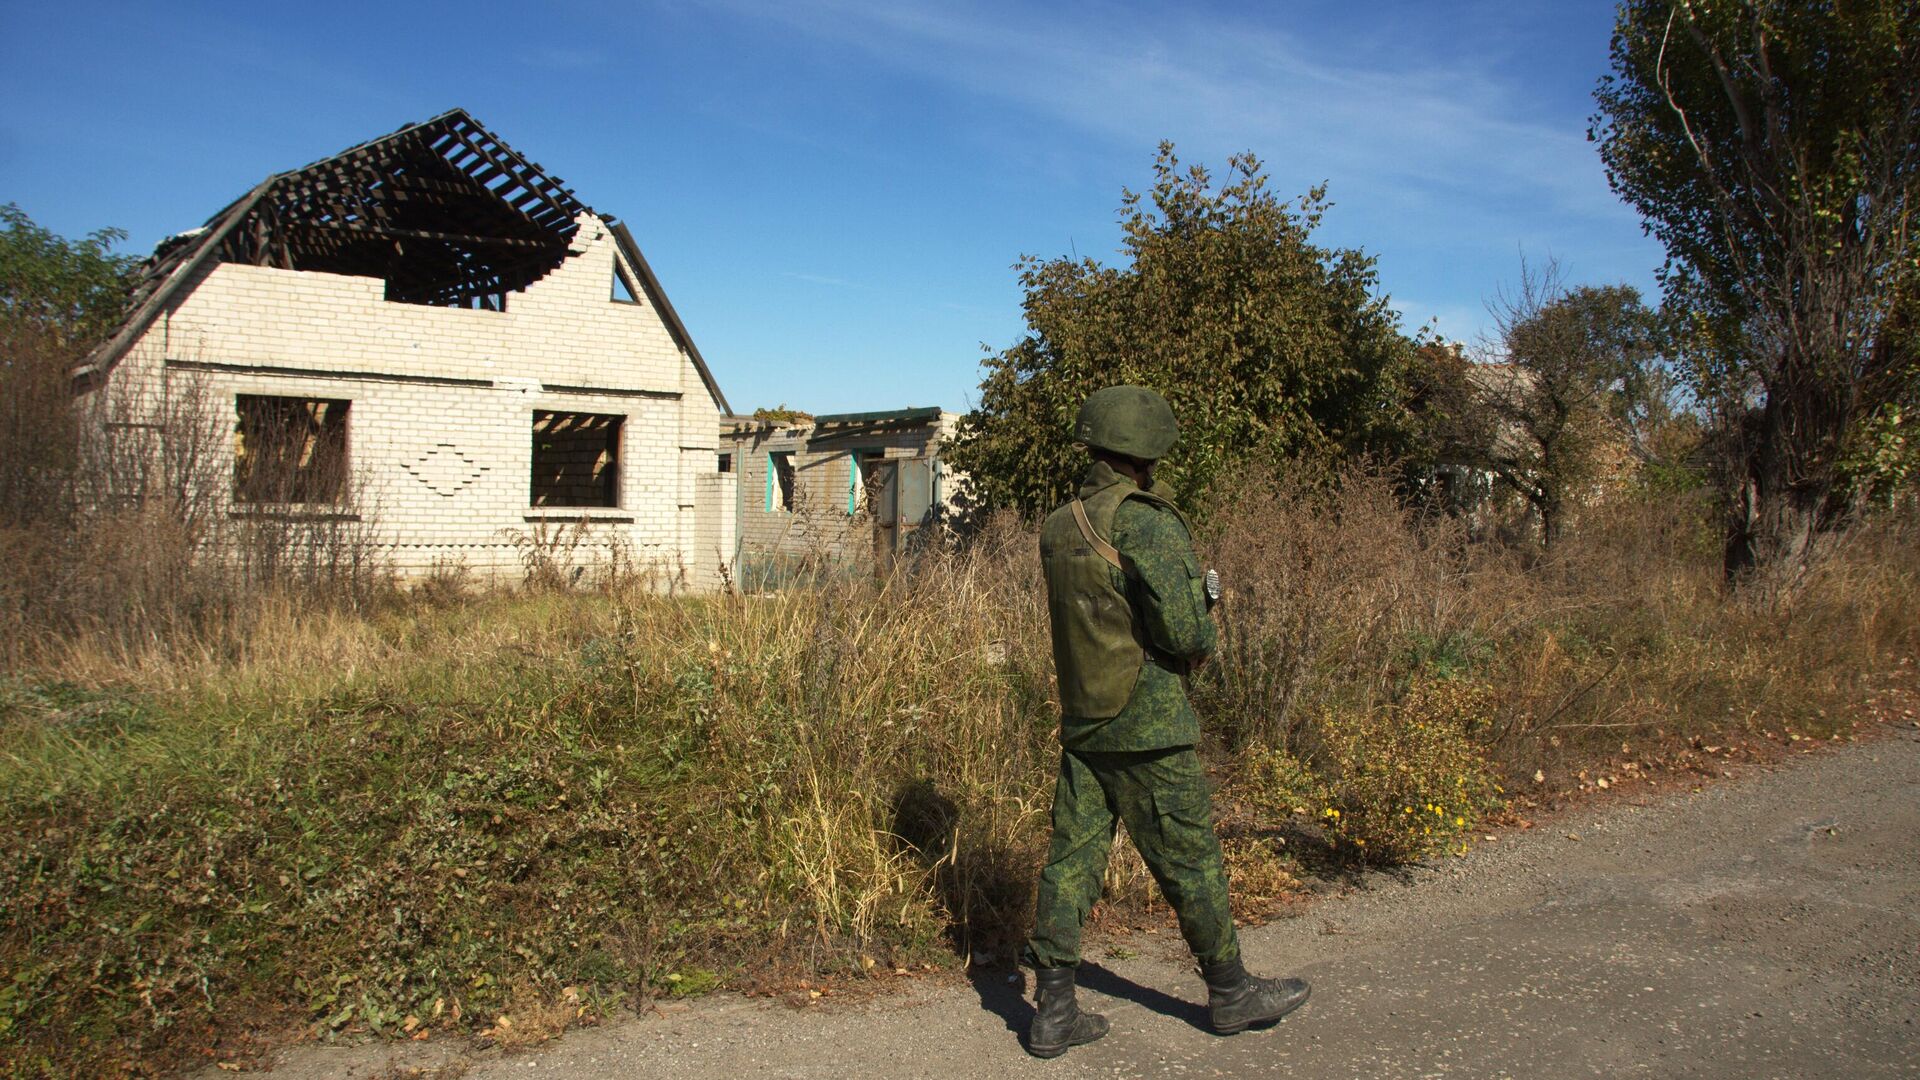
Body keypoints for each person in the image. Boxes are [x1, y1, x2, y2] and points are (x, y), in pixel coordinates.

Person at [1022, 385, 1309, 1058]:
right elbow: (1182, 633)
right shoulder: (1147, 521)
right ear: (1146, 450)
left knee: (1070, 863)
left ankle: (1053, 1011)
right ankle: (1231, 991)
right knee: (1191, 861)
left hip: (1086, 718)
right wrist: (1206, 614)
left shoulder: (1059, 523)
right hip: (1149, 723)